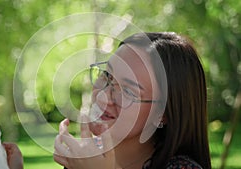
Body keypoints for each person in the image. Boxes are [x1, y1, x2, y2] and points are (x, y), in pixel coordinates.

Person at [53, 32, 212, 169]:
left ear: (162, 114)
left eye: (128, 91)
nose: (103, 97)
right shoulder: (85, 159)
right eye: (107, 76)